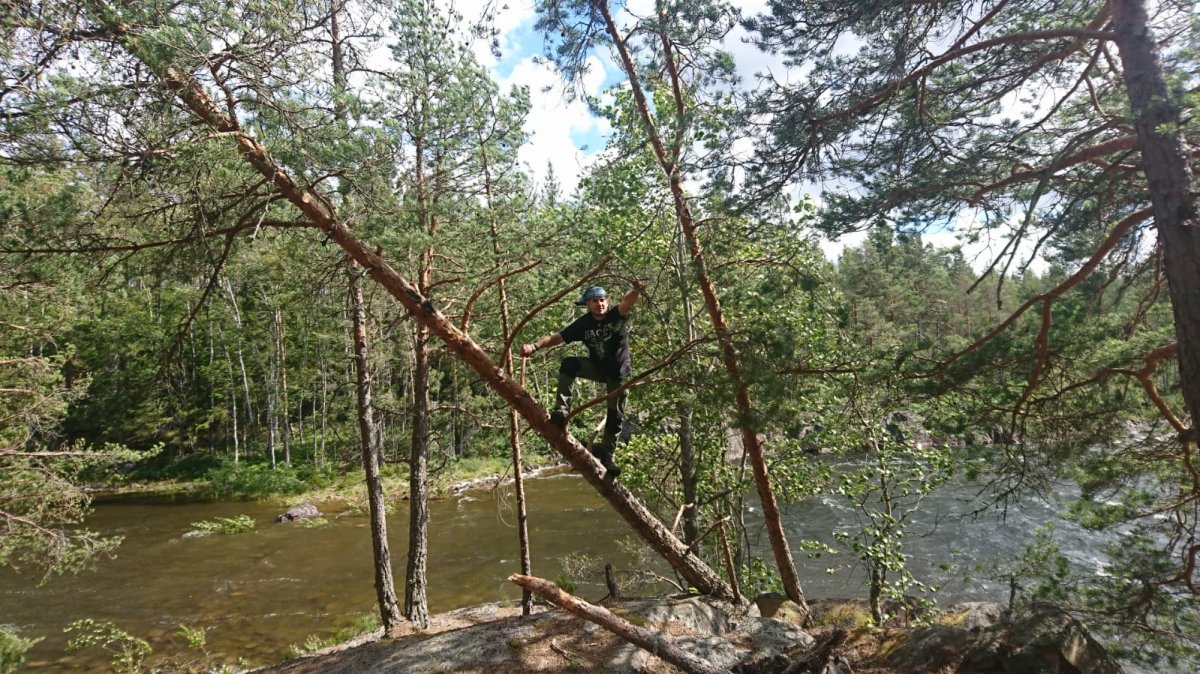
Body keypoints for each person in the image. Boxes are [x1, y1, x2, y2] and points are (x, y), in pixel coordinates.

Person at [521, 281, 645, 477]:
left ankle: (607, 457)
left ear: (607, 301)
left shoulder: (616, 315)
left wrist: (636, 290)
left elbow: (627, 302)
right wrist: (534, 346)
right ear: (587, 304)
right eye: (595, 301)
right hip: (597, 368)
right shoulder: (583, 324)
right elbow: (557, 337)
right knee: (569, 363)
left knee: (615, 416)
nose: (600, 304)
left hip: (619, 374)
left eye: (602, 300)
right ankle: (561, 410)